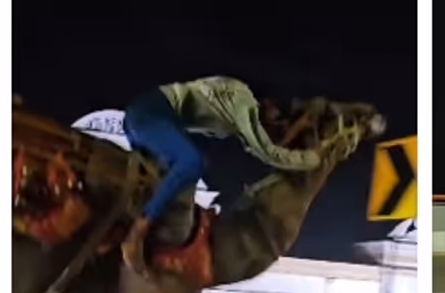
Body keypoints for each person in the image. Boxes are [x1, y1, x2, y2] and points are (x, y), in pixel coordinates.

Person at [119, 76, 325, 275]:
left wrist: (297, 129)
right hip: (149, 115)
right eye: (276, 116)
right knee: (193, 162)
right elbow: (268, 152)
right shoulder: (244, 103)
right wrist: (314, 159)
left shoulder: (234, 104)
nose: (273, 123)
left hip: (145, 117)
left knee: (184, 169)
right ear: (269, 103)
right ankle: (138, 231)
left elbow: (262, 147)